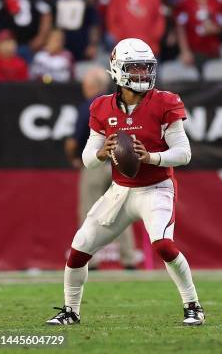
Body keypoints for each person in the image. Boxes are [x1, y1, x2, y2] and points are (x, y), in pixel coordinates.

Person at [46, 38, 204, 326]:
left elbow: (184, 153)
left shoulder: (166, 101)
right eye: (136, 68)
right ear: (118, 70)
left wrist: (152, 158)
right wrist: (101, 152)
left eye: (147, 68)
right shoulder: (101, 107)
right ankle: (70, 311)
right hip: (120, 191)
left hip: (156, 188)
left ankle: (192, 305)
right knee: (79, 249)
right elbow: (87, 160)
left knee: (164, 246)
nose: (143, 74)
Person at [64, 66, 137, 270]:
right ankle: (129, 258)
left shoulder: (89, 106)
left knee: (89, 211)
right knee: (121, 212)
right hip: (120, 165)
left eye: (86, 85)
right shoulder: (119, 105)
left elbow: (73, 141)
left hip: (96, 163)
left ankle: (91, 259)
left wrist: (74, 158)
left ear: (93, 86)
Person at [175, 0, 222, 73]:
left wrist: (215, 28)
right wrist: (185, 51)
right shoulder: (185, 3)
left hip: (213, 50)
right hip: (194, 52)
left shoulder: (216, 1)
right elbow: (180, 28)